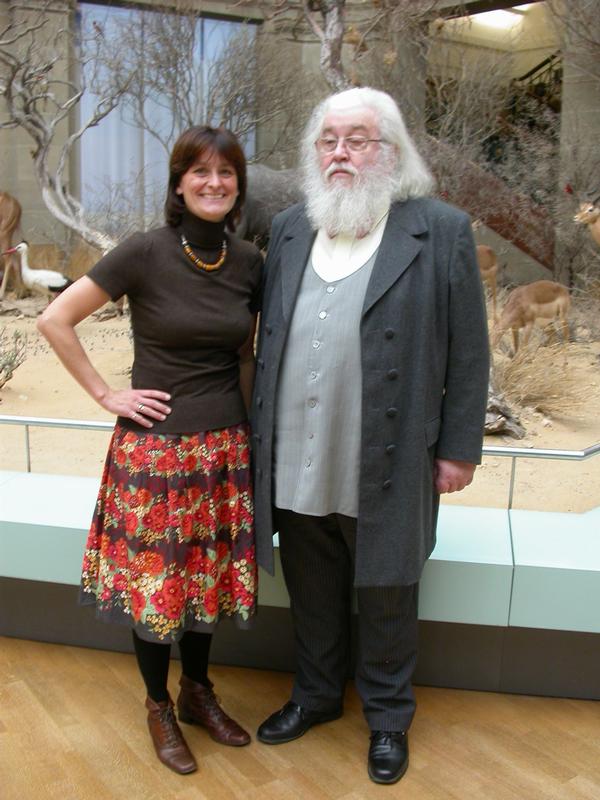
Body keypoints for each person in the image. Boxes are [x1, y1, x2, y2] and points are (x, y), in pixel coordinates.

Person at [250, 88, 490, 785]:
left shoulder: (439, 229)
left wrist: (458, 447)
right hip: (296, 450)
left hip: (389, 453)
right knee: (312, 583)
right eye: (329, 141)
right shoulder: (293, 227)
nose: (341, 153)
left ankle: (388, 719)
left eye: (358, 140)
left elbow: (470, 352)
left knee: (387, 587)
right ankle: (317, 696)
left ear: (391, 151)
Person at [38, 126, 262, 775]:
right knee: (157, 585)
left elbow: (246, 354)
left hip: (223, 451)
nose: (214, 183)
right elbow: (54, 319)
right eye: (201, 172)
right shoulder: (143, 252)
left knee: (204, 580)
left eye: (226, 173)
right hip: (157, 456)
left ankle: (198, 692)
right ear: (179, 182)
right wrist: (108, 394)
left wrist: (249, 430)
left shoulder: (249, 261)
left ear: (238, 185)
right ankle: (159, 704)